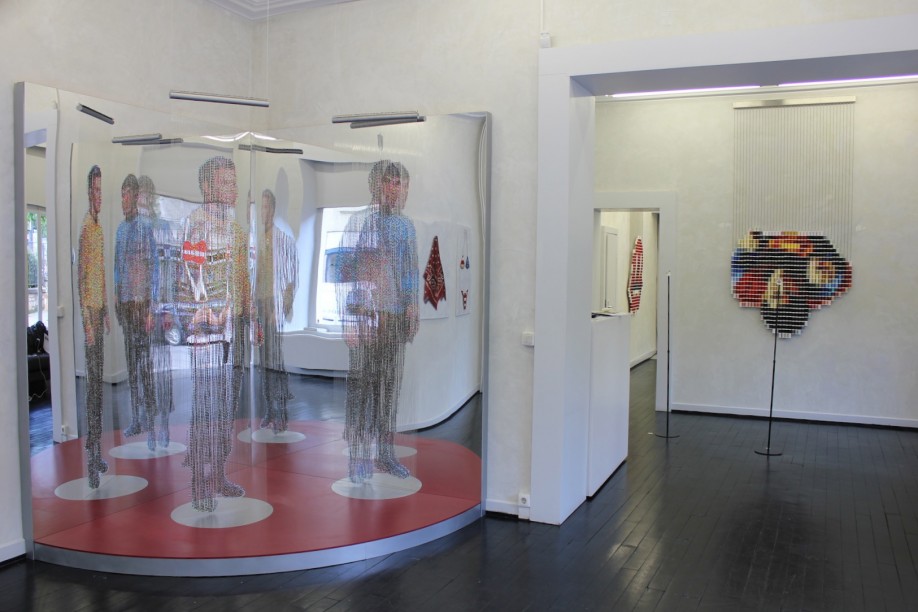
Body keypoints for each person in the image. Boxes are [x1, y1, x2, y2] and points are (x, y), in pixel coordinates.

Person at [339, 160, 419, 483]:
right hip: (365, 318)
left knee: (389, 389)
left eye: (401, 184)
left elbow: (410, 271)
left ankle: (385, 454)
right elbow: (345, 272)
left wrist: (412, 306)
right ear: (375, 185)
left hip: (393, 318)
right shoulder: (359, 222)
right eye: (390, 183)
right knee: (362, 388)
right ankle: (358, 456)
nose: (396, 190)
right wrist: (349, 318)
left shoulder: (405, 227)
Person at [182, 156, 250, 512]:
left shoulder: (237, 231)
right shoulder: (195, 224)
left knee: (226, 408)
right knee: (205, 406)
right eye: (225, 182)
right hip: (206, 332)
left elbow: (243, 277)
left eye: (234, 182)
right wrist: (206, 308)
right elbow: (190, 273)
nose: (233, 189)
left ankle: (219, 474)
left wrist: (250, 316)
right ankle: (199, 481)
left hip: (232, 332)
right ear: (207, 186)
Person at [114, 174, 159, 451]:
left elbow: (153, 267)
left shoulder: (145, 228)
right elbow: (117, 266)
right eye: (122, 195)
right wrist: (117, 294)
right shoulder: (121, 230)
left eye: (127, 194)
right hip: (127, 304)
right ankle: (136, 418)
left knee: (145, 366)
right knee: (132, 365)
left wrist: (151, 308)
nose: (124, 200)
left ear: (135, 196)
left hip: (142, 304)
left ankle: (150, 417)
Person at [77, 165, 110, 488]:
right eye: (96, 191)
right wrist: (88, 321)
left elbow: (100, 274)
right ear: (89, 193)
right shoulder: (87, 229)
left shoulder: (99, 229)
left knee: (98, 386)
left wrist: (106, 312)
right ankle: (92, 452)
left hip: (99, 314)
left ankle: (96, 447)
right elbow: (82, 280)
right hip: (91, 316)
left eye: (102, 190)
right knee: (93, 388)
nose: (99, 196)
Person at [255, 189, 298, 434]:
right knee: (263, 361)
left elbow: (290, 277)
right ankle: (269, 410)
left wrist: (281, 308)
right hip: (260, 304)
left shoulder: (282, 240)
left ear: (272, 209)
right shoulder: (258, 240)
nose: (262, 212)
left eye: (265, 207)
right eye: (260, 208)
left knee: (275, 361)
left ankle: (280, 411)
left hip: (274, 304)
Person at [138, 175, 174, 446]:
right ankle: (149, 421)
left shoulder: (162, 228)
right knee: (145, 367)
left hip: (159, 308)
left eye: (146, 194)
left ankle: (163, 423)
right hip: (141, 308)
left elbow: (168, 271)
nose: (143, 199)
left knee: (162, 366)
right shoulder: (133, 228)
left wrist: (166, 309)